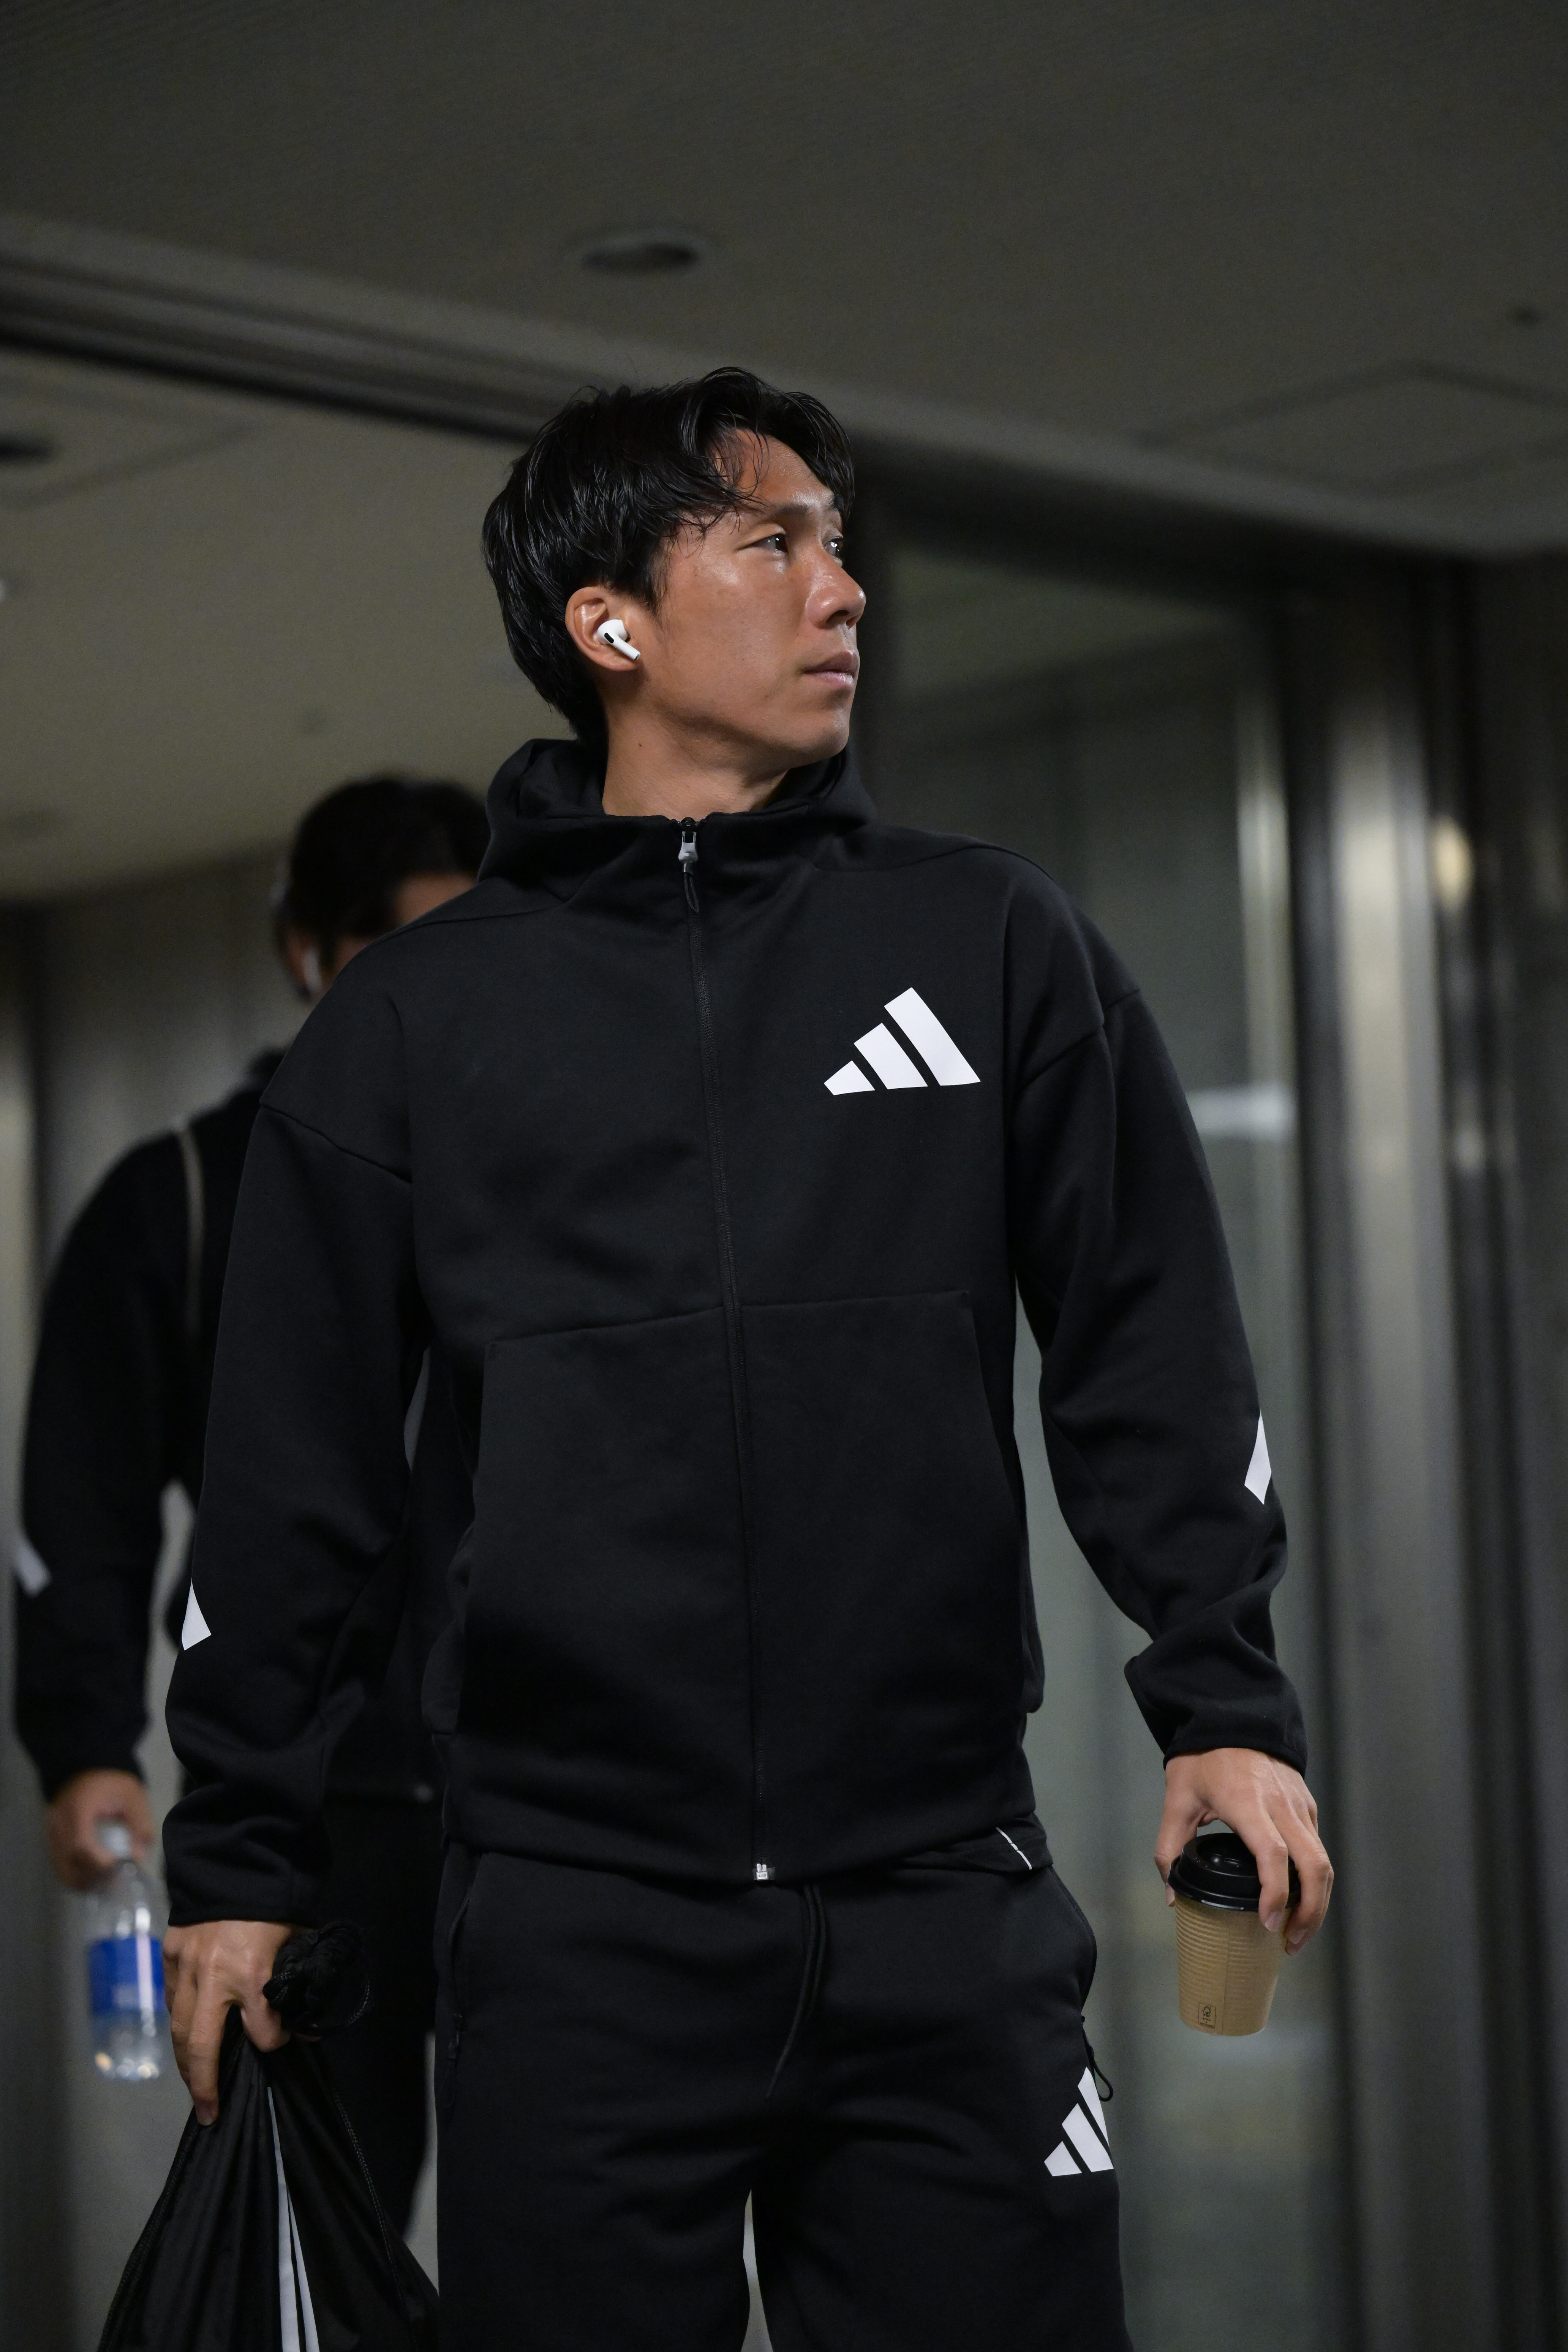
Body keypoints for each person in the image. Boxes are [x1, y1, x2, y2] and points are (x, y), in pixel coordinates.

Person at [160, 371, 1333, 2350]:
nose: (841, 588)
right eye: (772, 541)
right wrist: (238, 1858)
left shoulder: (993, 944)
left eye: (839, 543)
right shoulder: (418, 1028)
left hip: (946, 1903)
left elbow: (1152, 1352)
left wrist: (1225, 1697)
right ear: (609, 623)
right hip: (576, 1929)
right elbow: (292, 1479)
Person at [13, 773, 488, 2229]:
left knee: (565, 2244)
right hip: (308, 1803)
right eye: (397, 954)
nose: (433, 1000)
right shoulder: (183, 1196)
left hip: (534, 1794)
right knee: (326, 2239)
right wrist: (85, 1744)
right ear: (310, 953)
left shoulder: (550, 1188)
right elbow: (82, 1500)